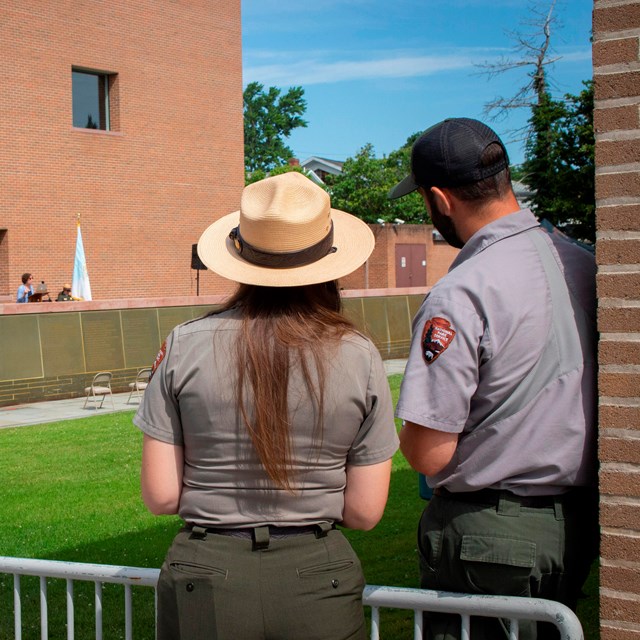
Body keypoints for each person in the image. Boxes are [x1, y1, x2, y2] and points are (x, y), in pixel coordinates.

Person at [134, 172, 399, 640]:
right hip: (320, 577)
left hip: (207, 573)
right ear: (328, 259)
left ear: (240, 254)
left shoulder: (184, 345)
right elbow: (364, 512)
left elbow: (161, 496)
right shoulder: (359, 354)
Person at [388, 117, 598, 640]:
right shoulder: (581, 262)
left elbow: (429, 453)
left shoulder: (461, 292)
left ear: (439, 199)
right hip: (573, 524)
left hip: (488, 539)